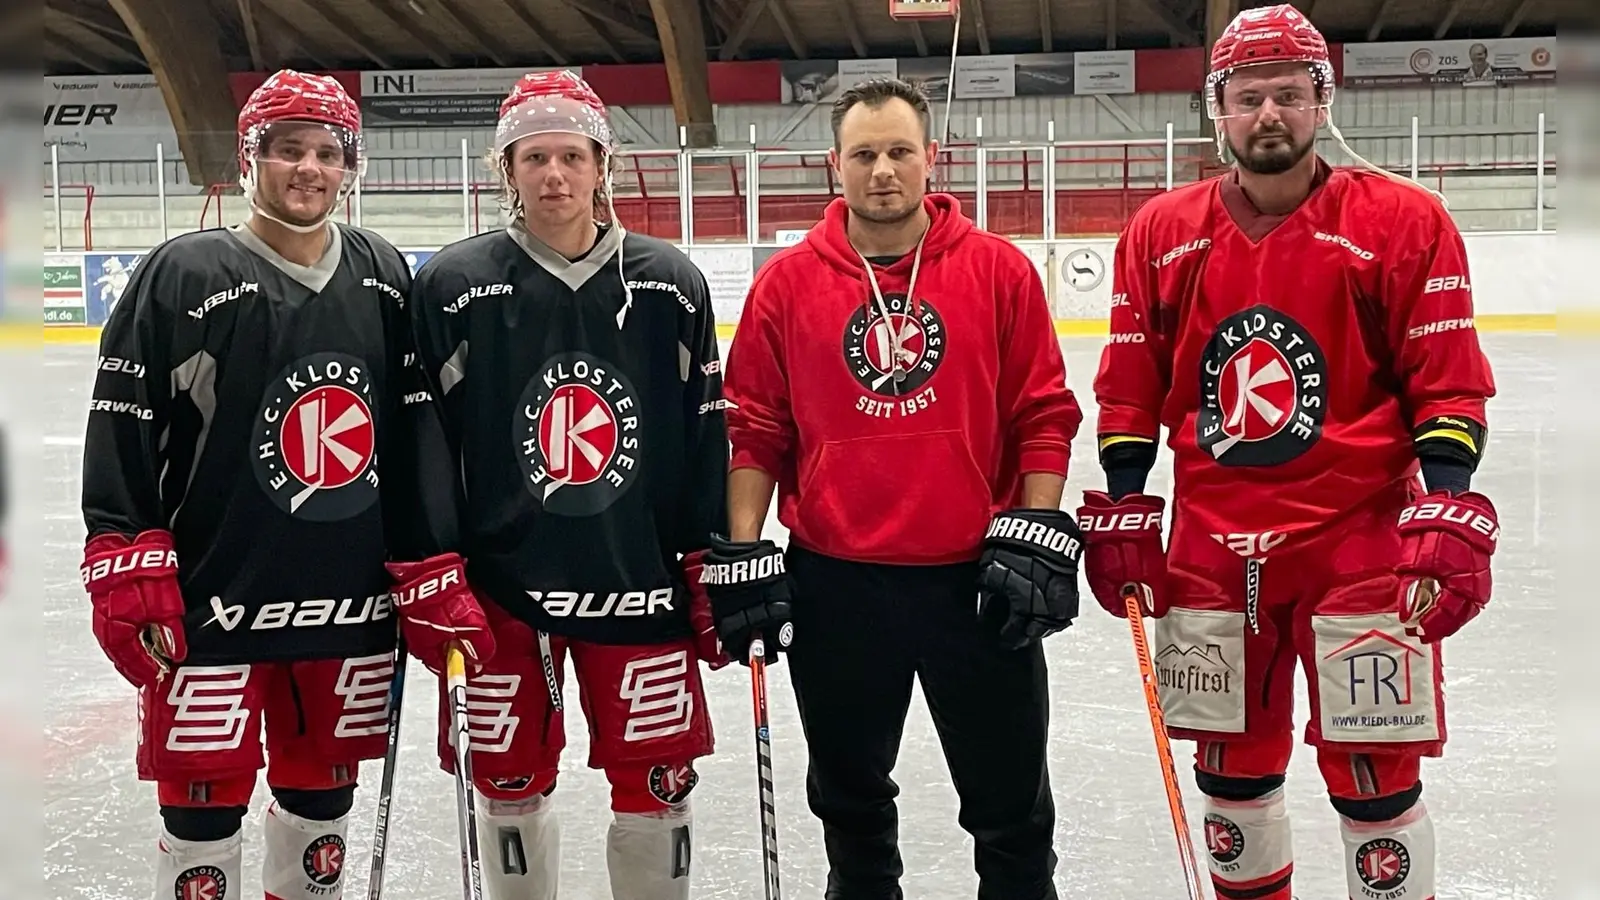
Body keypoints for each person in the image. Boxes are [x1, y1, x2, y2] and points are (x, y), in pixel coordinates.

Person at [1076, 6, 1498, 900]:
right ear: (1217, 108)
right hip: (1210, 553)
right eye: (1249, 96)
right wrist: (1124, 504)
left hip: (1361, 546)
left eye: (1291, 95)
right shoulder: (1160, 232)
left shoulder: (1404, 222)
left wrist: (1449, 504)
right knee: (1232, 773)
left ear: (1321, 103)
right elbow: (1130, 385)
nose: (1270, 113)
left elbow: (1447, 381)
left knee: (1377, 776)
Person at [706, 77, 1084, 900]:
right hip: (837, 581)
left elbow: (1043, 414)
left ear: (930, 160)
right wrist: (742, 545)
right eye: (865, 154)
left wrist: (1038, 530)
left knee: (1012, 809)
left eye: (900, 151)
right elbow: (757, 428)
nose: (883, 170)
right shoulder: (786, 285)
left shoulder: (998, 272)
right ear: (834, 165)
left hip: (977, 579)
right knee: (850, 805)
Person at [79, 70, 428, 900]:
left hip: (346, 605)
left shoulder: (382, 271)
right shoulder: (181, 272)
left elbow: (414, 433)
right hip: (213, 603)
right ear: (250, 158)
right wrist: (125, 552)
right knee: (200, 821)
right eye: (287, 150)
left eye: (326, 152)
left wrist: (427, 560)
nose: (308, 168)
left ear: (350, 165)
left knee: (319, 811)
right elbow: (123, 424)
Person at [395, 69, 728, 900]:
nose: (554, 175)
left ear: (600, 165)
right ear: (506, 169)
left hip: (639, 584)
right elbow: (424, 440)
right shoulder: (454, 285)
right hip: (502, 594)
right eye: (533, 157)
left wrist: (710, 558)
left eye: (571, 156)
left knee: (659, 787)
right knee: (507, 789)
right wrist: (432, 567)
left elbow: (704, 434)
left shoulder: (668, 280)